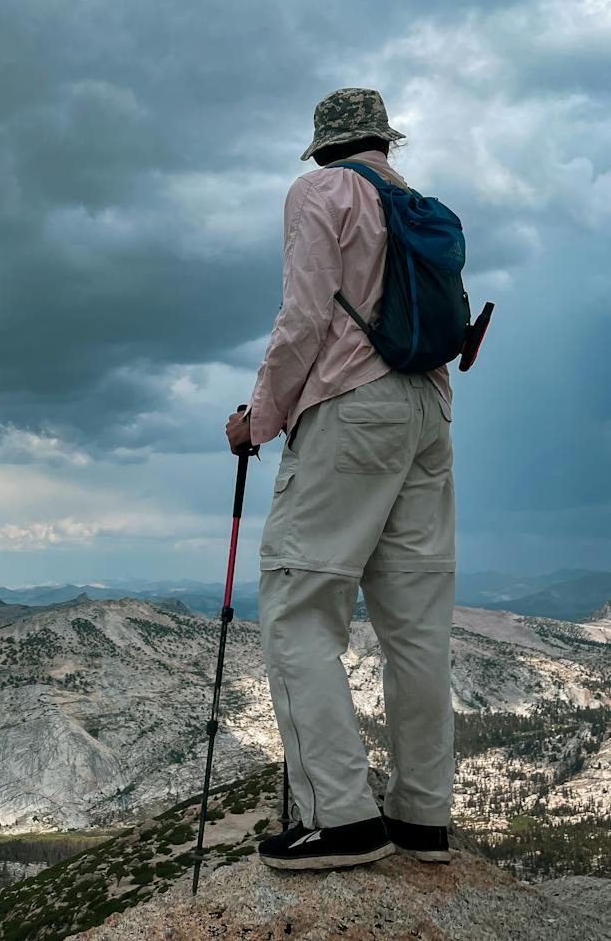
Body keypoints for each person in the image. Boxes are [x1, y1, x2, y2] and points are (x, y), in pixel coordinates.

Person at [225, 87, 456, 871]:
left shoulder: (320, 192)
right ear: (383, 143)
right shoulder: (419, 205)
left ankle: (343, 819)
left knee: (296, 604)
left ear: (324, 145)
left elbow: (304, 318)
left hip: (353, 411)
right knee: (417, 628)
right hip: (430, 411)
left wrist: (257, 420)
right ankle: (424, 819)